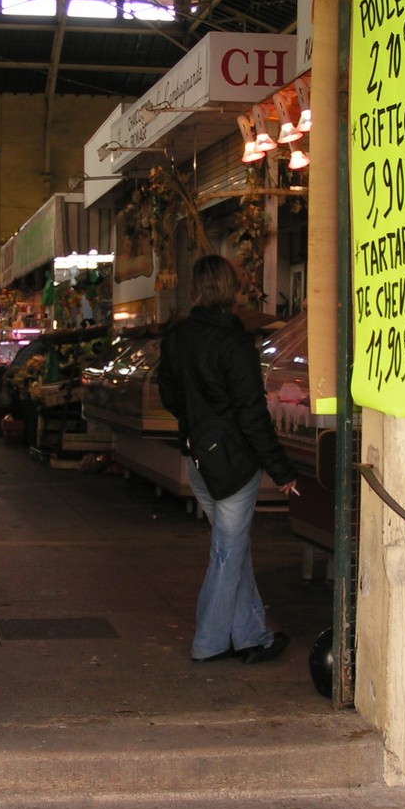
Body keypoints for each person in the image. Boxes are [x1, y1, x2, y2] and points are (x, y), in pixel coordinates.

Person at [157, 254, 298, 664]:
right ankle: (209, 642)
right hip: (234, 463)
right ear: (231, 290)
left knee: (232, 548)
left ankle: (251, 635)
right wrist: (281, 469)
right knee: (227, 552)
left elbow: (169, 395)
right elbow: (251, 415)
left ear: (197, 289)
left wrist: (197, 423)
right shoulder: (234, 343)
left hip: (197, 457)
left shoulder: (176, 337)